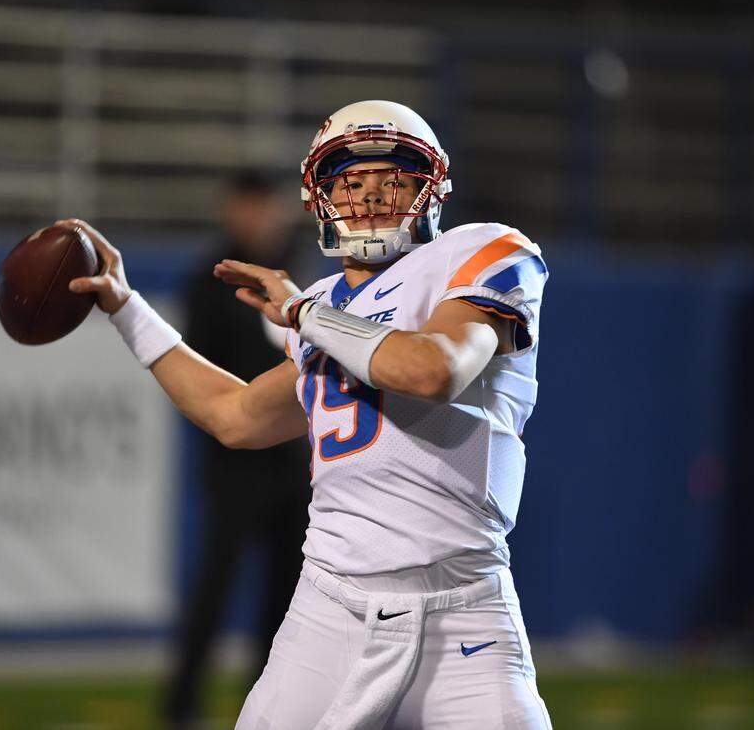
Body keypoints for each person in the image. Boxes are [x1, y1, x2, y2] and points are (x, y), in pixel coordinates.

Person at [62, 100, 552, 728]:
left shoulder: (484, 251)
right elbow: (235, 414)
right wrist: (127, 309)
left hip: (461, 607)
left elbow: (434, 370)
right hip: (329, 607)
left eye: (393, 175)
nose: (371, 191)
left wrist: (303, 316)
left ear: (429, 187)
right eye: (350, 178)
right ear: (321, 195)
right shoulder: (324, 303)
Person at [165, 172, 312, 727]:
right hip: (235, 462)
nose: (260, 218)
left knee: (286, 596)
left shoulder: (300, 272)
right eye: (249, 207)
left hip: (290, 463)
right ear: (233, 211)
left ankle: (270, 703)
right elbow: (196, 375)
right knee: (214, 588)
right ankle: (182, 704)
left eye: (267, 207)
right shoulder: (210, 281)